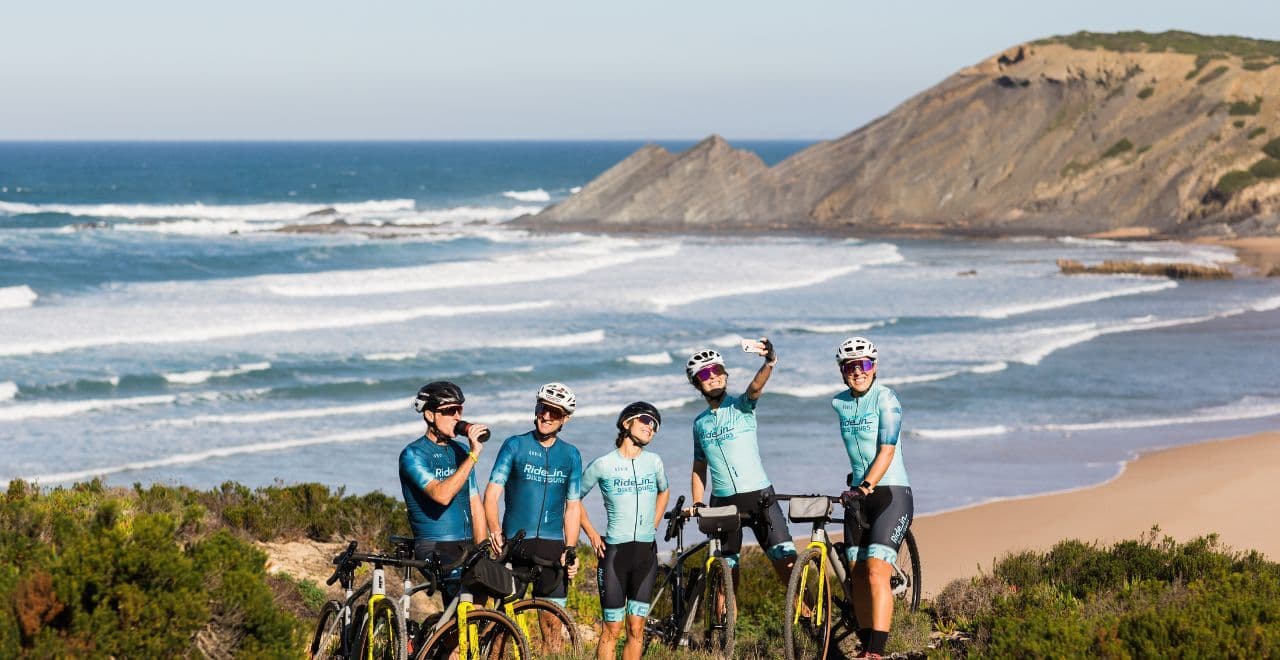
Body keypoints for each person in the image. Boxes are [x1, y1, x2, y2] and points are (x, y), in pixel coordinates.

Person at [686, 340, 796, 586]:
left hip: (759, 497)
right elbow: (699, 467)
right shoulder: (700, 423)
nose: (713, 378)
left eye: (718, 371)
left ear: (725, 376)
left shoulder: (741, 406)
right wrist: (697, 502)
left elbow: (755, 388)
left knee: (786, 563)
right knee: (723, 575)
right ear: (697, 383)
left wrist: (769, 362)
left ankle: (808, 621)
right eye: (705, 374)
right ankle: (725, 625)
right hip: (722, 502)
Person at [832, 337, 912, 660]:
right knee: (857, 574)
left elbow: (887, 449)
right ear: (842, 372)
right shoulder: (839, 403)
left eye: (863, 365)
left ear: (874, 367)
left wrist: (866, 485)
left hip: (890, 494)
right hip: (857, 495)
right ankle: (866, 645)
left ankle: (877, 652)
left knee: (877, 571)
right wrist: (856, 487)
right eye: (851, 367)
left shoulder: (886, 399)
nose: (858, 372)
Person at [483, 382, 583, 634]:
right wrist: (494, 531)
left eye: (555, 412)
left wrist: (570, 548)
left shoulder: (571, 455)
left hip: (552, 549)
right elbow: (491, 494)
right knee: (502, 629)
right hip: (514, 547)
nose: (546, 416)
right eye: (542, 408)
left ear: (565, 419)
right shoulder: (515, 445)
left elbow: (573, 507)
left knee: (552, 630)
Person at [579, 402, 670, 660]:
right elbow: (573, 499)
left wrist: (653, 523)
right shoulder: (603, 464)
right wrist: (592, 535)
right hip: (615, 555)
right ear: (625, 423)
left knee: (636, 627)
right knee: (612, 629)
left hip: (645, 553)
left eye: (655, 425)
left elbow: (665, 490)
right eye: (645, 420)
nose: (650, 427)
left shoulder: (654, 462)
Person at [399, 380, 489, 604]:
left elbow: (474, 501)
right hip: (435, 546)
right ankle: (438, 639)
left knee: (486, 601)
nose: (457, 416)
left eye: (460, 409)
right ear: (430, 415)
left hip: (467, 544)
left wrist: (483, 548)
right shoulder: (413, 454)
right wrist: (473, 456)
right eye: (450, 411)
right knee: (461, 606)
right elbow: (441, 495)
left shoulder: (460, 450)